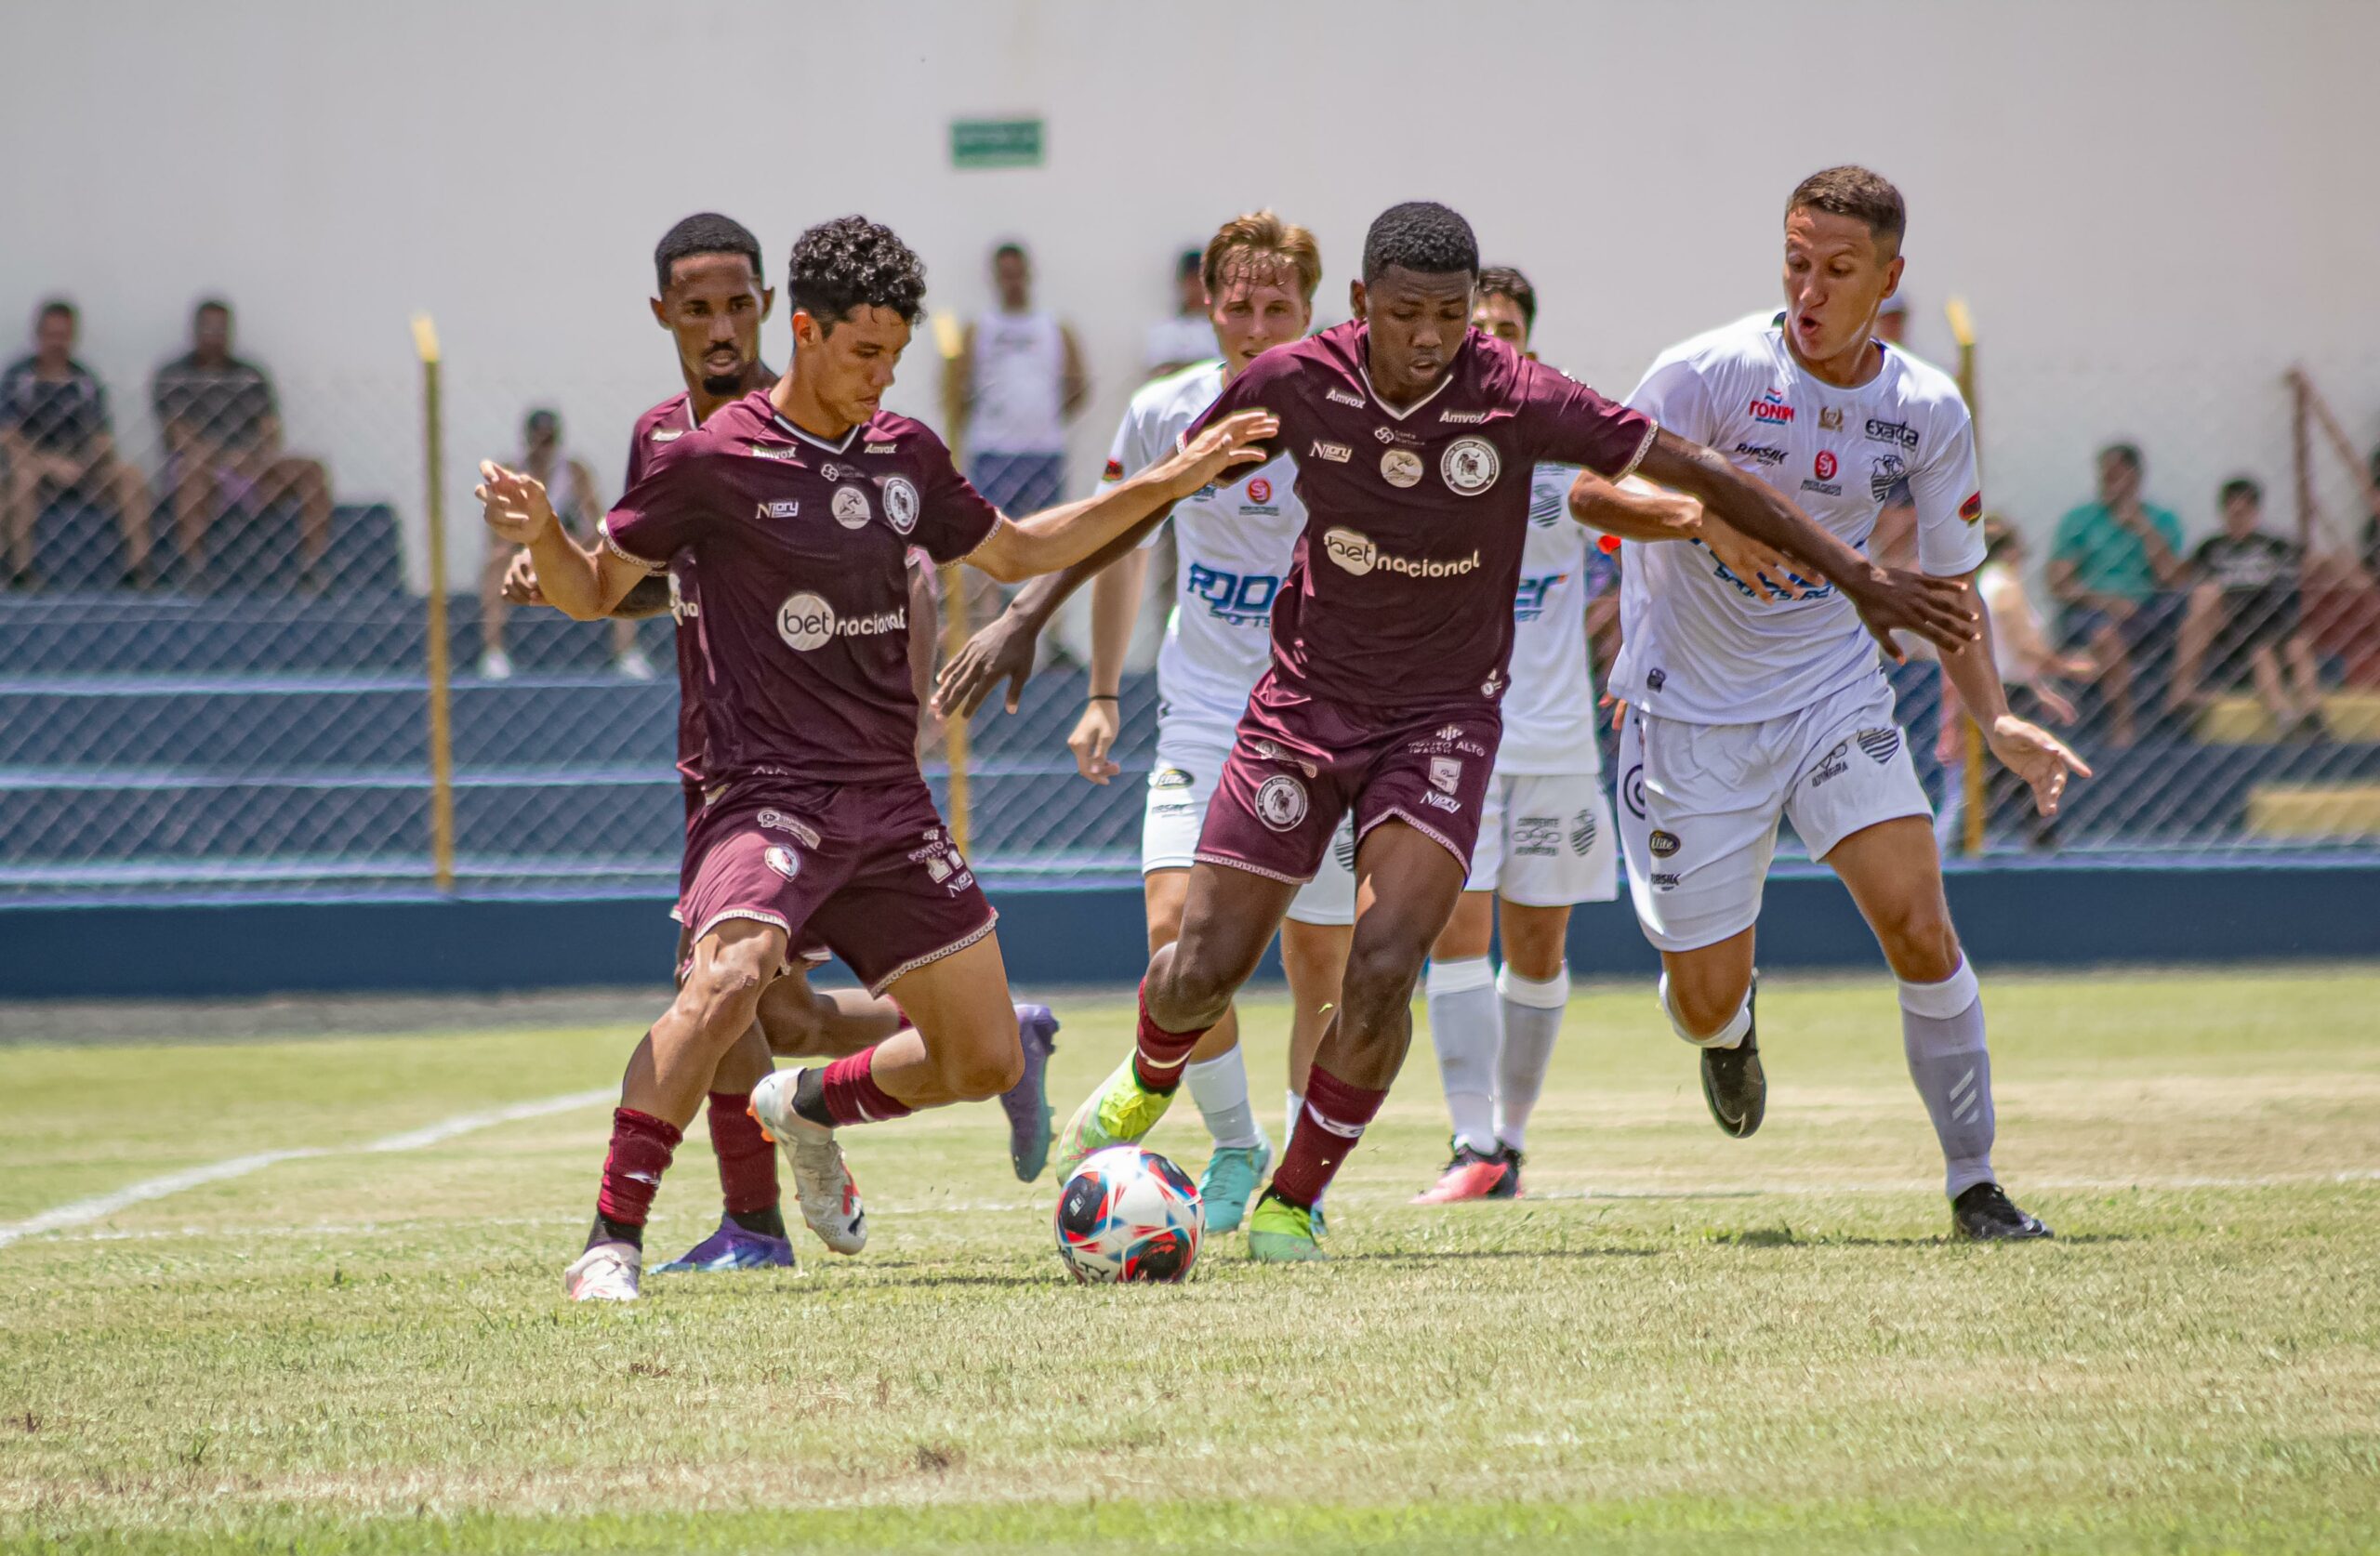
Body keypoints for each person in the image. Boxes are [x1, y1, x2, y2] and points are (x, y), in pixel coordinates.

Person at [1027, 199, 1975, 1262]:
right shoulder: (1294, 382)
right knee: (1202, 964)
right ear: (1358, 307)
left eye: (1447, 316)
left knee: (1385, 964)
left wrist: (1858, 577)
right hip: (1299, 712)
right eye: (1404, 315)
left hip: (1441, 723)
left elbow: (1699, 471)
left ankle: (1294, 1200)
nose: (1429, 337)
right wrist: (1027, 615)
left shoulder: (1512, 394)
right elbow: (1153, 497)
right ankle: (1150, 1073)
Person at [479, 215, 1276, 1301]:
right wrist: (542, 541)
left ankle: (805, 1107)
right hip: (764, 792)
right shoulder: (708, 459)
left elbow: (1022, 547)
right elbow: (590, 589)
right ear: (802, 333)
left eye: (895, 358)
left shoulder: (905, 456)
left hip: (888, 805)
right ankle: (610, 1241)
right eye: (863, 354)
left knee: (985, 1059)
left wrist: (1169, 482)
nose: (880, 378)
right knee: (726, 983)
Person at [1572, 166, 2086, 1242]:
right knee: (1702, 997)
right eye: (1796, 263)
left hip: (1827, 691)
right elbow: (1587, 486)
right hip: (1688, 713)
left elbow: (1946, 590)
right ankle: (1730, 1024)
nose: (1809, 288)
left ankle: (1976, 1184)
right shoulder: (1708, 370)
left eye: (1837, 270)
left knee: (1918, 922)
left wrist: (1995, 718)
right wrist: (1697, 518)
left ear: (1887, 280)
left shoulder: (1925, 410)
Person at [932, 211, 1354, 1234]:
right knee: (1174, 934)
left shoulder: (1352, 417)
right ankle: (1234, 1146)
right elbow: (1120, 544)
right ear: (1208, 305)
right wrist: (1105, 694)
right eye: (1237, 304)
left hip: (1327, 720)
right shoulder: (1165, 412)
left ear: (1310, 312)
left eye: (1276, 307)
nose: (1254, 325)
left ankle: (1297, 1195)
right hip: (1206, 714)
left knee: (1317, 970)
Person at [1406, 266, 1622, 1204]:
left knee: (1536, 950)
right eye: (1475, 326)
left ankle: (1511, 1145)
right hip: (1447, 734)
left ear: (1526, 341)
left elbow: (1630, 562)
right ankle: (1469, 1141)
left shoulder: (1565, 453)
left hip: (1553, 740)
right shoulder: (1410, 442)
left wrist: (1630, 648)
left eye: (1504, 326)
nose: (1489, 339)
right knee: (1455, 934)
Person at [151, 299, 334, 589]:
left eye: (221, 329)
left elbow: (270, 429)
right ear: (195, 331)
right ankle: (194, 568)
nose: (214, 335)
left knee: (312, 470)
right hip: (203, 469)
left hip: (251, 468)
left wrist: (254, 457)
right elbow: (179, 436)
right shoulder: (174, 375)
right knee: (193, 468)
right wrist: (224, 459)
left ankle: (312, 567)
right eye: (208, 328)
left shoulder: (251, 375)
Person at [1937, 517, 2094, 849]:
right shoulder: (2005, 585)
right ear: (2009, 552)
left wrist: (2042, 689)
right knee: (2012, 769)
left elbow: (2000, 652)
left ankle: (1988, 836)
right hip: (2008, 694)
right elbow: (2023, 645)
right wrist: (2067, 666)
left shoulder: (1979, 587)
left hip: (1991, 687)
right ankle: (2028, 837)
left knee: (2000, 773)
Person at [483, 408, 654, 679]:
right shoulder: (511, 472)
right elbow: (498, 533)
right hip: (525, 552)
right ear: (527, 440)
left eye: (549, 441)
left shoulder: (574, 472)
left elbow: (598, 524)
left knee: (619, 559)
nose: (543, 449)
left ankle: (627, 651)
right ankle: (494, 653)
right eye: (538, 441)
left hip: (568, 551)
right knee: (495, 562)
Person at [0, 300, 152, 588]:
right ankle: (21, 571)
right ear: (38, 335)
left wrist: (93, 457)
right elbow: (7, 434)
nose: (57, 342)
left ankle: (139, 569)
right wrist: (47, 462)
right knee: (23, 474)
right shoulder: (19, 377)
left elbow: (102, 436)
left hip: (82, 466)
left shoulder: (84, 379)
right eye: (51, 334)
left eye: (64, 335)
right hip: (35, 466)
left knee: (130, 475)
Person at [2046, 442, 2188, 745]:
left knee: (2201, 598)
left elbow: (2172, 578)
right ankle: (2123, 723)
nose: (2107, 483)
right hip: (2094, 609)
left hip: (2148, 607)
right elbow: (2059, 583)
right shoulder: (2081, 520)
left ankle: (2182, 696)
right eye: (2104, 476)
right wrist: (2105, 600)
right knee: (2104, 635)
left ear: (2135, 478)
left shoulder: (2161, 520)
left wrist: (2142, 528)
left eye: (2116, 476)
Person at [943, 241, 1089, 520]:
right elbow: (957, 389)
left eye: (1018, 273)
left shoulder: (1056, 327)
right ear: (995, 278)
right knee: (991, 538)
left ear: (1029, 274)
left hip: (1044, 451)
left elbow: (1077, 387)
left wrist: (1042, 419)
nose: (1013, 282)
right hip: (992, 450)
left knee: (1047, 537)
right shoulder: (977, 329)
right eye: (1006, 274)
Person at [2172, 478, 2321, 734]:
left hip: (2273, 616)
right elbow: (2188, 582)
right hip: (2234, 623)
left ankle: (2312, 713)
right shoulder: (2212, 547)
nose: (2237, 518)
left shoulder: (2274, 544)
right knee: (2260, 651)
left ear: (2255, 512)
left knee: (2298, 644)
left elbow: (2311, 563)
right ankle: (2283, 713)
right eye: (2232, 511)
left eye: (2243, 512)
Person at [1143, 248, 1216, 377]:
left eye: (1201, 280)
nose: (1196, 287)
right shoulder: (1165, 330)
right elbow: (1161, 372)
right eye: (1191, 280)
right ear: (1181, 283)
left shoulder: (1223, 327)